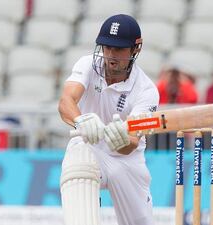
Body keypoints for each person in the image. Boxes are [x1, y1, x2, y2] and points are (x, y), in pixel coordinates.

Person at [58, 14, 159, 225]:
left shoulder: (147, 91)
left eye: (119, 49)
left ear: (135, 49)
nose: (111, 55)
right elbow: (66, 102)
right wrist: (81, 121)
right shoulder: (87, 64)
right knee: (79, 158)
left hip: (126, 161)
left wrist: (120, 139)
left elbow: (131, 143)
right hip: (89, 144)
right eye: (107, 47)